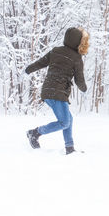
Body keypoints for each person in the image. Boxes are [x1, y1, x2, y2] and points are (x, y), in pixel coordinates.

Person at [25, 27, 89, 155]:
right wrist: (84, 90)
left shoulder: (55, 51)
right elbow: (79, 80)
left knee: (68, 119)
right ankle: (35, 133)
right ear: (78, 42)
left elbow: (40, 63)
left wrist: (27, 70)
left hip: (48, 91)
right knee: (65, 122)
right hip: (58, 94)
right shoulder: (77, 58)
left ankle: (69, 147)